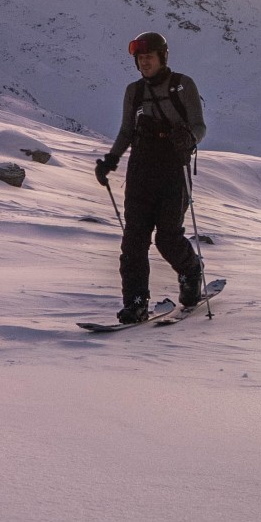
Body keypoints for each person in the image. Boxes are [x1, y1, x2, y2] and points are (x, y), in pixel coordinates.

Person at [92, 32, 206, 323]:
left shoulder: (182, 85)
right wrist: (111, 160)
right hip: (141, 170)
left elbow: (199, 126)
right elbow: (126, 131)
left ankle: (191, 272)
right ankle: (136, 303)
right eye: (140, 58)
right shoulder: (134, 91)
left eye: (149, 57)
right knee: (133, 241)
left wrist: (189, 138)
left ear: (162, 57)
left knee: (168, 238)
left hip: (173, 170)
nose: (144, 62)